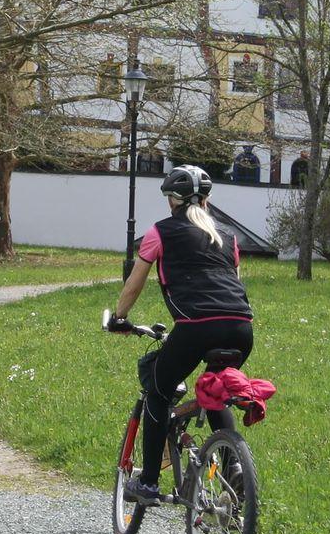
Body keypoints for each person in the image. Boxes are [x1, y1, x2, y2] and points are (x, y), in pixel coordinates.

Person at [107, 164, 253, 506]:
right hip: (241, 326)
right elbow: (232, 283)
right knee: (215, 390)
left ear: (172, 200)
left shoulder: (161, 232)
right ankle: (234, 467)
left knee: (158, 392)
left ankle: (148, 482)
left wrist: (119, 318)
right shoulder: (228, 237)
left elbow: (135, 283)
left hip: (196, 326)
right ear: (206, 200)